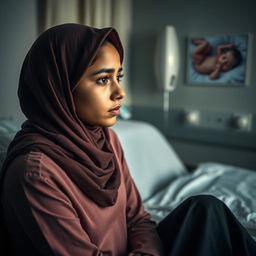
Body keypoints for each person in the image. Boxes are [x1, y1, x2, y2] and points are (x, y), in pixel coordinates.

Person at [0, 23, 256, 256]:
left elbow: (137, 218)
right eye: (102, 80)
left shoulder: (107, 139)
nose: (120, 92)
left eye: (118, 77)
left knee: (206, 209)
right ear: (59, 89)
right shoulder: (35, 173)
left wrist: (147, 252)